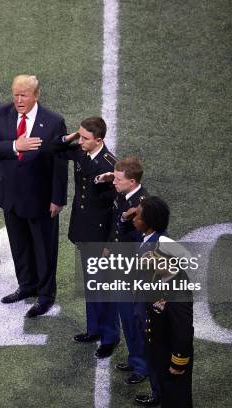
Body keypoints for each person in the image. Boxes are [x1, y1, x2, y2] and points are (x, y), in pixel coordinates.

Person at [0, 75, 68, 318]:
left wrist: (57, 198)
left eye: (24, 95)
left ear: (36, 95)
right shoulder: (1, 113)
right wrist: (14, 146)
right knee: (19, 245)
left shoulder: (53, 122)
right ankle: (26, 285)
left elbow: (60, 163)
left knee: (44, 248)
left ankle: (46, 295)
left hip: (40, 198)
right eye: (15, 94)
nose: (18, 100)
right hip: (10, 194)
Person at [51, 117, 119, 357]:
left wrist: (110, 244)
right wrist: (70, 137)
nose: (80, 141)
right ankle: (94, 329)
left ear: (99, 140)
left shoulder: (110, 167)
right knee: (91, 284)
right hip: (83, 230)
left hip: (100, 237)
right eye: (79, 136)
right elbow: (53, 147)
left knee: (105, 287)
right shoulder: (81, 151)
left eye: (85, 138)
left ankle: (110, 336)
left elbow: (117, 210)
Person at [97, 156, 150, 383]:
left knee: (134, 319)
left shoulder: (143, 206)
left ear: (132, 182)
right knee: (125, 317)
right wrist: (109, 247)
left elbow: (144, 242)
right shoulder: (122, 195)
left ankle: (142, 366)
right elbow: (114, 224)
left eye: (118, 179)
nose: (114, 182)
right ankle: (134, 357)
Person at [137, 233, 194, 407]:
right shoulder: (160, 276)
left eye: (158, 259)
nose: (153, 261)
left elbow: (183, 332)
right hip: (160, 352)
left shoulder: (179, 292)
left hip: (171, 357)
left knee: (176, 399)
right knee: (167, 395)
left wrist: (178, 362)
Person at [129, 196, 171, 406]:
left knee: (157, 359)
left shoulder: (159, 249)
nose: (133, 217)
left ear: (149, 222)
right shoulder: (147, 237)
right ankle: (159, 393)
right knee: (152, 356)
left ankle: (161, 396)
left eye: (138, 215)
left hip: (152, 317)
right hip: (142, 309)